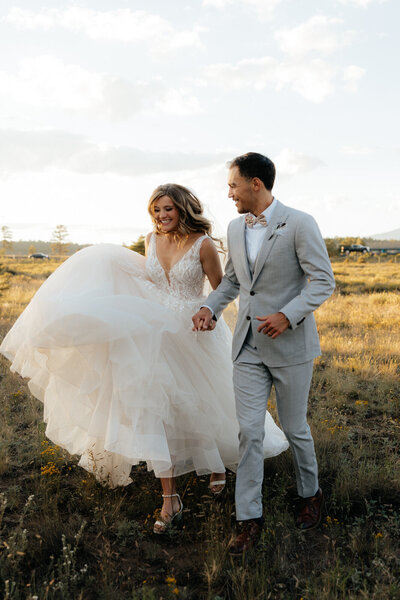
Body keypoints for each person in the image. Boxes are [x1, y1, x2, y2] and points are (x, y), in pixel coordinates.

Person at [0, 183, 288, 534]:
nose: (162, 216)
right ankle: (170, 498)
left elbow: (220, 289)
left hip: (195, 333)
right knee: (156, 412)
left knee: (207, 404)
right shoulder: (151, 241)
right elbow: (146, 279)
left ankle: (216, 463)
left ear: (183, 209)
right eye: (156, 210)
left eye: (168, 209)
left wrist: (209, 314)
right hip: (151, 335)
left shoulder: (203, 244)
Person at [193, 153, 335, 554]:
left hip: (291, 346)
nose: (229, 192)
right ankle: (249, 519)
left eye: (233, 185)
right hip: (248, 348)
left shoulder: (300, 223)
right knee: (249, 433)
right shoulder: (236, 228)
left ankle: (311, 494)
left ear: (256, 183)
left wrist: (288, 317)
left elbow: (322, 281)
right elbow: (235, 281)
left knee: (294, 428)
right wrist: (209, 307)